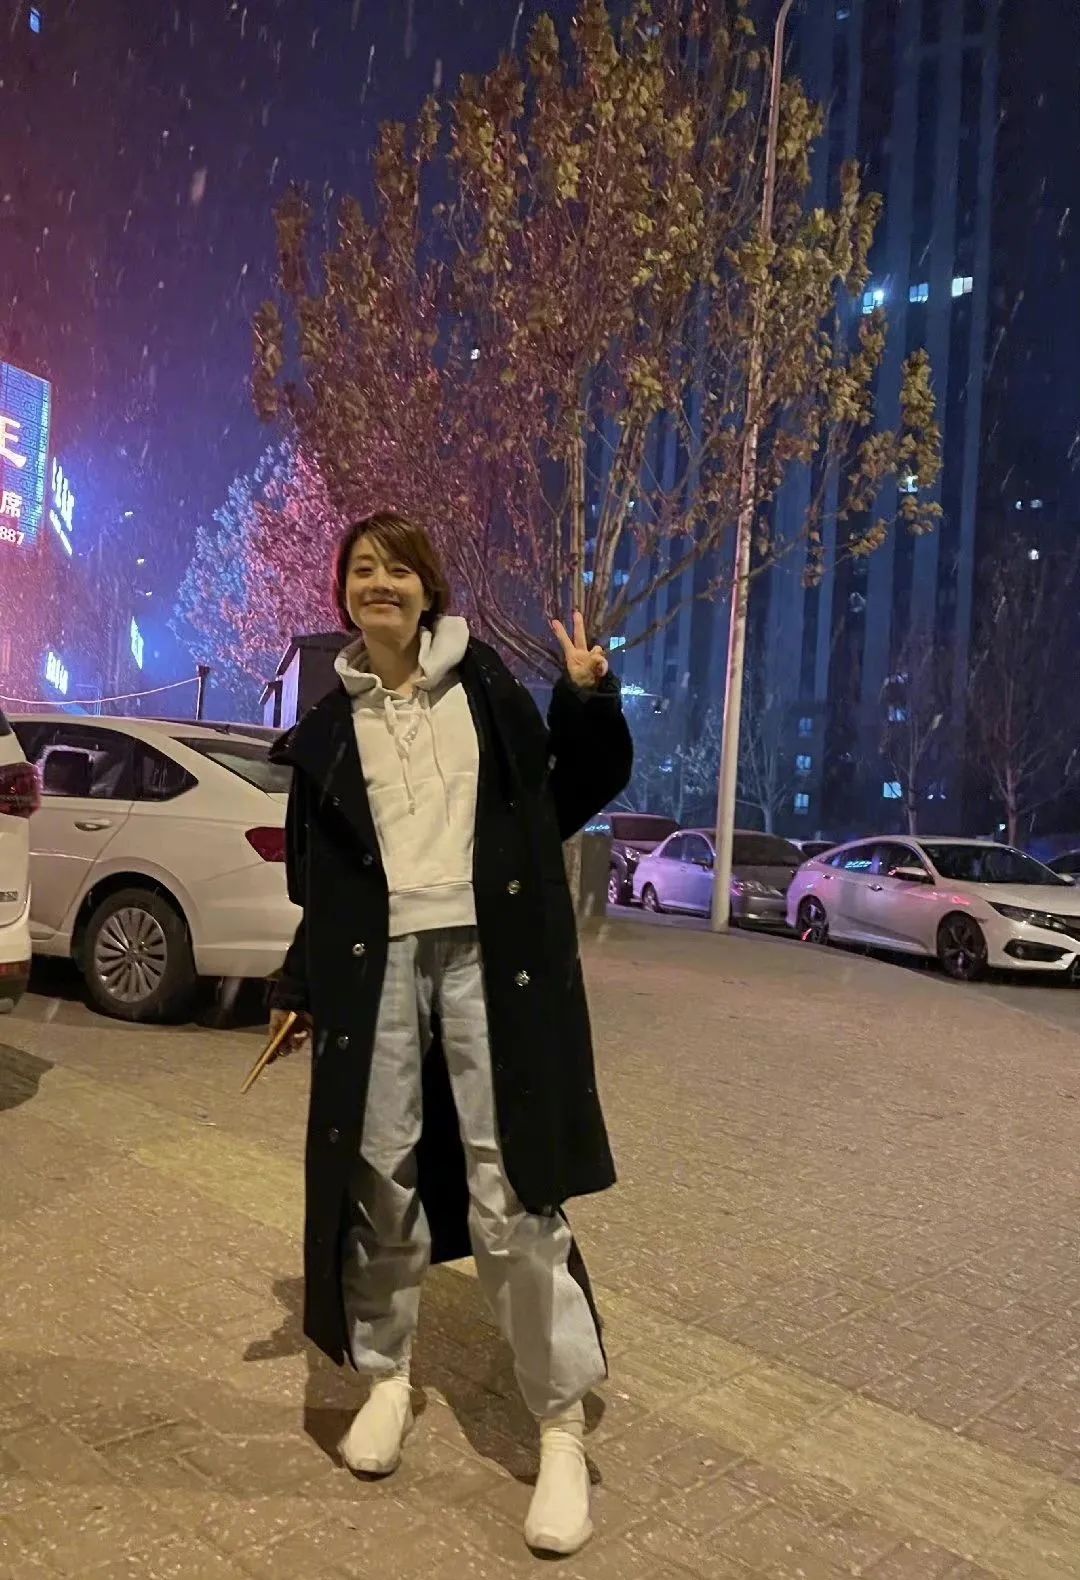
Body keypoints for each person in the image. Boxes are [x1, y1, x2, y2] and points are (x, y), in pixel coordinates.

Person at [267, 511, 632, 1555]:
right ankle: (387, 1377)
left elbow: (571, 791)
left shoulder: (485, 689)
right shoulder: (329, 728)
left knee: (510, 1184)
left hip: (490, 960)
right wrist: (298, 982)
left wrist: (587, 699)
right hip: (376, 967)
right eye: (361, 569)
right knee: (379, 1172)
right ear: (343, 593)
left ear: (429, 588)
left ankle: (558, 1426)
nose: (378, 582)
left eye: (398, 569)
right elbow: (321, 883)